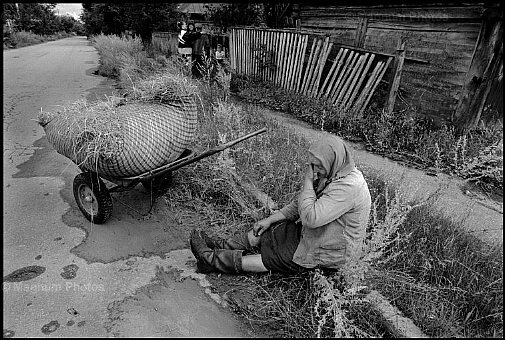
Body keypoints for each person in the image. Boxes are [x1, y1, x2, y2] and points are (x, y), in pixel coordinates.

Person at [189, 136, 372, 274]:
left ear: (333, 161)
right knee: (272, 231)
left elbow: (310, 218)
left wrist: (308, 182)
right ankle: (220, 245)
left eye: (318, 166)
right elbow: (301, 203)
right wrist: (269, 220)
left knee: (274, 258)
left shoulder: (350, 186)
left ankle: (211, 261)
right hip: (316, 235)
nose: (314, 171)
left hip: (328, 252)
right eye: (312, 165)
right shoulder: (333, 173)